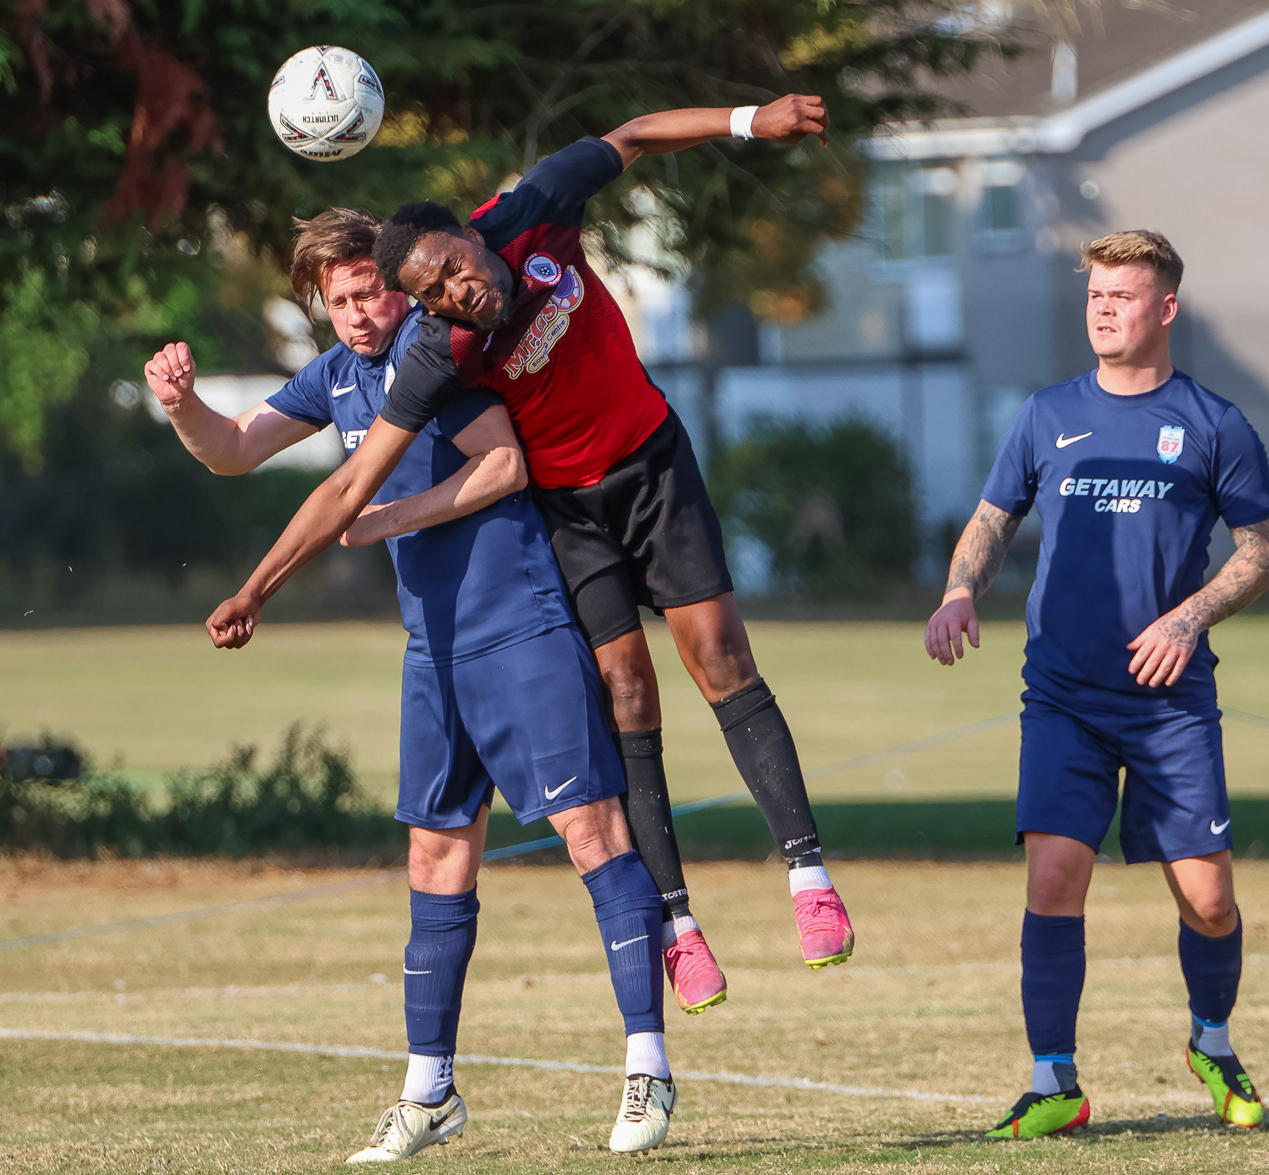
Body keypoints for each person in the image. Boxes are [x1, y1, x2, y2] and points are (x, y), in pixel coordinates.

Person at [204, 96, 854, 993]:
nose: (458, 294)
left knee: (720, 659)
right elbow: (350, 484)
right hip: (570, 510)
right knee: (626, 691)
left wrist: (752, 120)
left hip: (652, 462)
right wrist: (257, 590)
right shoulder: (439, 353)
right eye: (435, 296)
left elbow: (632, 136)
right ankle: (678, 924)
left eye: (455, 272)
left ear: (471, 236)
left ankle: (809, 879)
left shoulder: (532, 211)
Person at [146, 209, 679, 1159]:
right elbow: (232, 449)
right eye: (339, 300)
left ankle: (649, 1068)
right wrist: (183, 404)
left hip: (519, 630)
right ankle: (429, 1093)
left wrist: (388, 519)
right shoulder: (335, 376)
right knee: (434, 860)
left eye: (369, 292)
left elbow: (504, 467)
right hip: (432, 652)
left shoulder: (437, 356)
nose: (357, 313)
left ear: (399, 286)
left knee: (592, 834)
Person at [924, 230, 1269, 1139]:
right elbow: (992, 518)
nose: (1103, 309)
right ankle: (1054, 1082)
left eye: (1122, 295)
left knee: (1209, 901)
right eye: (1095, 295)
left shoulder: (1214, 423)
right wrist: (961, 590)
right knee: (1054, 878)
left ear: (1166, 308)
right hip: (1063, 697)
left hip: (1171, 705)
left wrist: (1188, 619)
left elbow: (1265, 550)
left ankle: (1212, 1043)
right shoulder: (1047, 413)